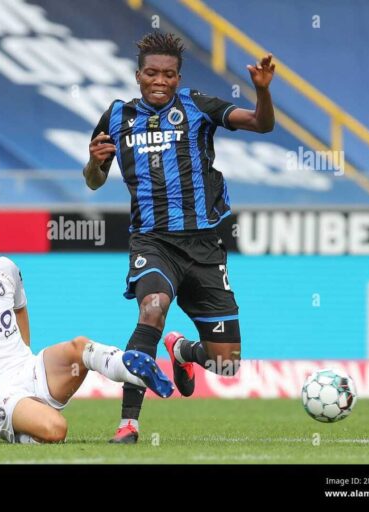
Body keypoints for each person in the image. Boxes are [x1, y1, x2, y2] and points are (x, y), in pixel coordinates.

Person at [83, 32, 275, 443]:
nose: (159, 81)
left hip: (205, 246)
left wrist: (262, 94)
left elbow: (261, 124)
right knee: (152, 308)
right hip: (152, 242)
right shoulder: (117, 116)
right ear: (138, 75)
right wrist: (94, 165)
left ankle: (182, 350)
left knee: (227, 365)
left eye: (168, 74)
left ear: (177, 77)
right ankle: (128, 424)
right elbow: (94, 181)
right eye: (151, 73)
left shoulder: (197, 107)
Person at [0, 199, 173, 445]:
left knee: (80, 347)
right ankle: (24, 428)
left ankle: (130, 367)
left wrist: (24, 355)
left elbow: (20, 309)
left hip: (28, 368)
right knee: (56, 429)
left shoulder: (4, 269)